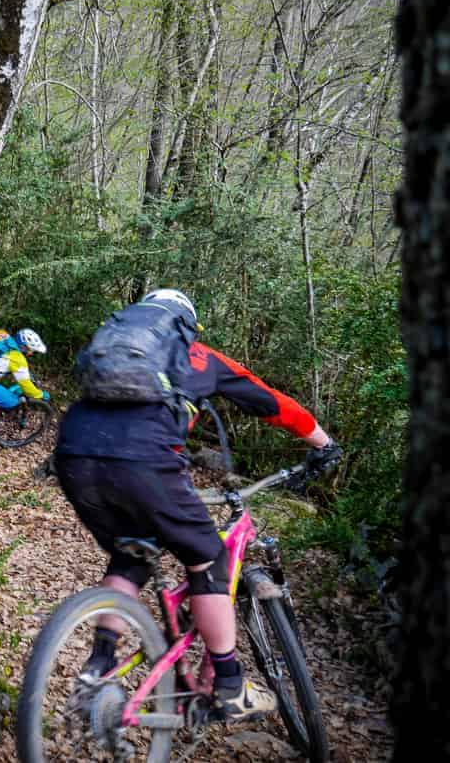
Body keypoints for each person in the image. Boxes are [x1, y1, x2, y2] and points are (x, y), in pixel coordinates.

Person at [53, 288, 342, 721]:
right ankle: (229, 684)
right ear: (187, 326)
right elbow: (271, 402)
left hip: (73, 454)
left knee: (131, 551)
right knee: (207, 560)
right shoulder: (200, 356)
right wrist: (323, 443)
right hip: (144, 460)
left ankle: (99, 664)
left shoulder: (108, 352)